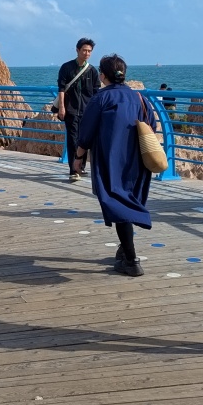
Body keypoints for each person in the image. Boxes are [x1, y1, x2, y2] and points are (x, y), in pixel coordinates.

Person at [73, 54, 155, 277]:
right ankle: (125, 250)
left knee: (117, 203)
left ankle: (131, 260)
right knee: (126, 201)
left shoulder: (101, 98)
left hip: (110, 160)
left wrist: (78, 157)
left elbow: (87, 131)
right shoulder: (139, 97)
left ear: (102, 75)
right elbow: (151, 125)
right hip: (137, 161)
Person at [56, 38, 100, 182]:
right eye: (84, 50)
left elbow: (95, 92)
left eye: (89, 51)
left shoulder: (92, 71)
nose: (87, 53)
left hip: (87, 111)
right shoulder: (66, 67)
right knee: (73, 139)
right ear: (77, 50)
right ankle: (73, 170)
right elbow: (61, 89)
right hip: (71, 110)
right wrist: (62, 107)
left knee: (85, 140)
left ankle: (80, 167)